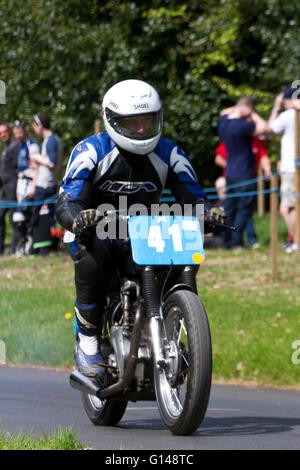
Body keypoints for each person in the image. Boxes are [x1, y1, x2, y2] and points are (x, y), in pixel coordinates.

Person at [56, 79, 222, 381]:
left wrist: (206, 214)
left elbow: (193, 197)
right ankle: (88, 339)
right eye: (133, 123)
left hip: (148, 229)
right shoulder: (90, 150)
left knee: (181, 256)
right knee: (96, 253)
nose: (142, 130)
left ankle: (174, 322)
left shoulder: (170, 153)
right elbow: (67, 200)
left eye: (148, 121)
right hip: (97, 230)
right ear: (112, 119)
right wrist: (77, 219)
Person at [218, 96, 269, 249]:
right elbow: (264, 127)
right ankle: (236, 243)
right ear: (247, 108)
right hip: (244, 174)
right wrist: (251, 114)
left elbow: (223, 112)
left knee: (230, 209)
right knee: (243, 211)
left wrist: (239, 109)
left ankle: (226, 242)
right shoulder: (241, 126)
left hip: (230, 174)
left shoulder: (224, 123)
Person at [214, 137, 272, 248]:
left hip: (247, 180)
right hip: (233, 180)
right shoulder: (234, 136)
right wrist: (235, 169)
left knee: (244, 211)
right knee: (234, 211)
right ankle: (232, 243)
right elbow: (219, 158)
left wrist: (267, 169)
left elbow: (263, 156)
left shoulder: (257, 141)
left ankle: (243, 241)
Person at [267, 87, 300, 253]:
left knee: (285, 208)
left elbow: (268, 130)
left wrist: (276, 106)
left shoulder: (288, 115)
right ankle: (293, 239)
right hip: (293, 167)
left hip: (291, 168)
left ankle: (294, 239)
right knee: (294, 206)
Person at [26, 114, 63, 254]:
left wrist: (37, 158)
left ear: (39, 125)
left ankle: (32, 248)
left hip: (44, 185)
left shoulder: (51, 140)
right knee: (50, 218)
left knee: (36, 217)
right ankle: (49, 247)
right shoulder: (53, 139)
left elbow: (51, 163)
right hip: (49, 183)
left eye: (34, 127)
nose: (34, 130)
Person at [12, 120, 40, 256]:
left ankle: (27, 244)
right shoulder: (21, 146)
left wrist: (33, 186)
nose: (18, 135)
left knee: (21, 217)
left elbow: (37, 167)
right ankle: (22, 245)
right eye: (15, 133)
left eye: (20, 132)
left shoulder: (32, 145)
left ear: (25, 131)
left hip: (29, 183)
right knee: (19, 217)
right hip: (21, 183)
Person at [0, 121, 20, 255]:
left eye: (4, 132)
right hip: (5, 188)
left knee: (14, 218)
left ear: (10, 131)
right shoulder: (6, 148)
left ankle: (14, 247)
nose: (2, 135)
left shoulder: (15, 146)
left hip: (13, 187)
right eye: (0, 133)